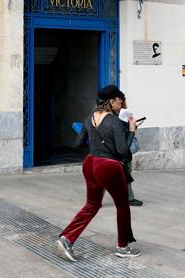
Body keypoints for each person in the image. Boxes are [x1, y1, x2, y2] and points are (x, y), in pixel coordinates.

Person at [56, 85, 140, 261]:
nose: (121, 106)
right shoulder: (114, 121)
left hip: (90, 163)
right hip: (108, 166)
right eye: (119, 102)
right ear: (111, 102)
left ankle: (67, 238)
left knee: (91, 205)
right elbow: (123, 151)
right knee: (122, 206)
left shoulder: (89, 118)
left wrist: (95, 138)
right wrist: (131, 131)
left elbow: (78, 144)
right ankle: (123, 246)